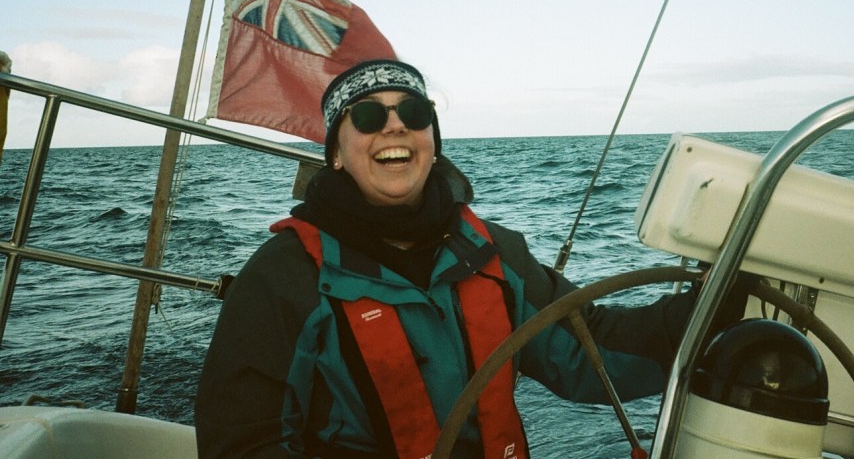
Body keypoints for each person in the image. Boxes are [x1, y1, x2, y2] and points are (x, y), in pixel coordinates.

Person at [195, 59, 742, 458]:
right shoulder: (283, 276)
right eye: (366, 117)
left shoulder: (494, 253)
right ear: (334, 154)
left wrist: (711, 307)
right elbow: (243, 440)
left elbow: (589, 353)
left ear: (432, 139)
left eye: (413, 111)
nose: (394, 125)